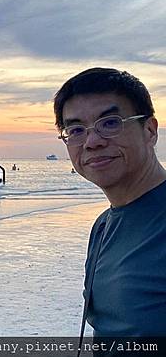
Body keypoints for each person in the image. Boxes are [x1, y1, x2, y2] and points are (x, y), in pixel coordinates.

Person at [54, 67, 166, 340]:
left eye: (110, 123)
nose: (92, 142)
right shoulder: (103, 226)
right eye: (76, 130)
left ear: (149, 131)